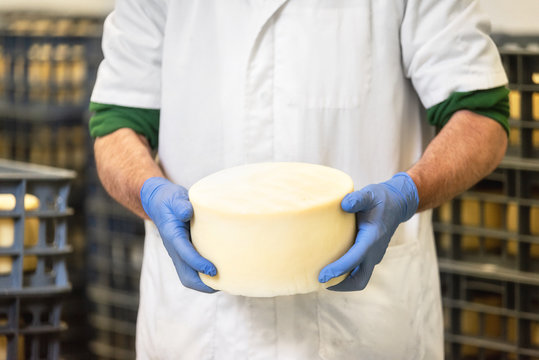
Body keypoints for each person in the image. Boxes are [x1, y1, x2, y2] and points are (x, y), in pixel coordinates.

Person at [89, 0, 509, 359]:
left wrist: (408, 193)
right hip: (199, 331)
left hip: (362, 327)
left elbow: (481, 116)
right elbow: (116, 124)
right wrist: (150, 192)